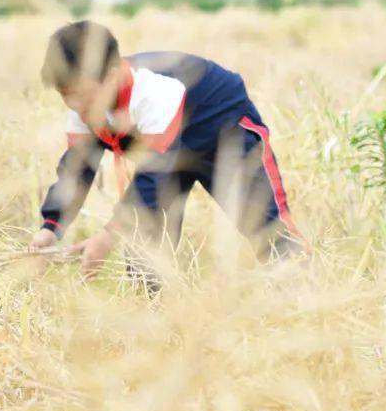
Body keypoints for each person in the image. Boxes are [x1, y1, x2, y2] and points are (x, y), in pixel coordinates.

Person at [29, 21, 304, 290]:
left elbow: (153, 176)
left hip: (222, 135)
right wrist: (51, 227)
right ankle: (154, 316)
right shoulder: (83, 109)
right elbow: (76, 170)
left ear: (113, 75)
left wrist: (107, 236)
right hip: (164, 153)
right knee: (144, 249)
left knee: (265, 229)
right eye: (67, 95)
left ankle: (303, 295)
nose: (77, 106)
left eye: (84, 96)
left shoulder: (154, 93)